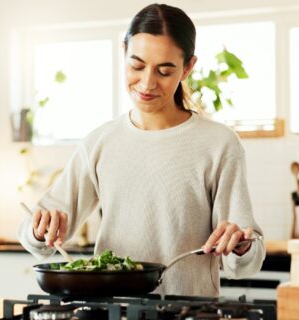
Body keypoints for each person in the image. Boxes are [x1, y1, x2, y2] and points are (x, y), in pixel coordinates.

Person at [19, 3, 265, 297]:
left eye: (164, 71)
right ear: (123, 52)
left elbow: (245, 263)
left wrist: (241, 244)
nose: (147, 83)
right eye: (136, 66)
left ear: (188, 67)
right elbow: (34, 235)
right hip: (111, 312)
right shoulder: (100, 142)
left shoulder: (219, 143)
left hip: (189, 313)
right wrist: (39, 229)